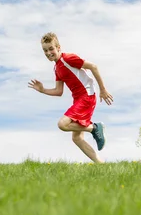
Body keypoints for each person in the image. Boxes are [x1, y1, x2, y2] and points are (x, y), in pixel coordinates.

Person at [28, 32, 114, 163]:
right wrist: (43, 90)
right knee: (77, 138)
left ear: (58, 47)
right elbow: (58, 91)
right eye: (45, 50)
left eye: (51, 48)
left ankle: (95, 128)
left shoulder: (68, 59)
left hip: (87, 96)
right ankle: (101, 165)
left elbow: (93, 67)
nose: (48, 52)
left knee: (62, 124)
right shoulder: (57, 68)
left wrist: (103, 89)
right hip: (79, 100)